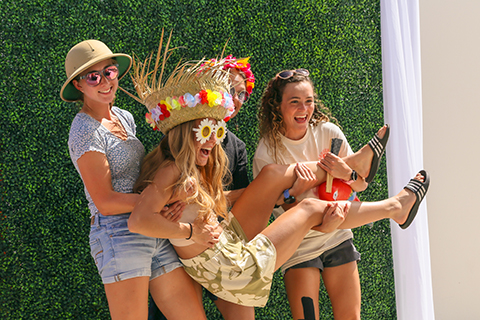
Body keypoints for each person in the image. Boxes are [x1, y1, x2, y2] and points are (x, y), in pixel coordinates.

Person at [126, 55, 429, 313]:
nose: (215, 139)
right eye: (207, 131)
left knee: (271, 174)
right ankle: (394, 207)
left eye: (216, 132)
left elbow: (218, 201)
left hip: (225, 242)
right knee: (310, 206)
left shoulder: (198, 164)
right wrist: (190, 230)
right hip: (230, 265)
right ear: (184, 133)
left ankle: (352, 166)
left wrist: (282, 193)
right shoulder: (171, 171)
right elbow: (139, 220)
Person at [62, 39, 213, 320]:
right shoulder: (84, 130)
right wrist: (164, 199)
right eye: (93, 76)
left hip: (153, 224)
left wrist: (162, 201)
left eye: (109, 71)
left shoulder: (124, 117)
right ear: (79, 86)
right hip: (116, 233)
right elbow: (105, 202)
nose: (105, 81)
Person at [253, 68, 390, 319]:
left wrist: (345, 173)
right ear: (277, 106)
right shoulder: (266, 152)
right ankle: (395, 204)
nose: (303, 109)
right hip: (300, 245)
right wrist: (297, 192)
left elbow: (360, 186)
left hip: (338, 235)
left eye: (308, 101)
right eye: (294, 102)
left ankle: (391, 199)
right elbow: (281, 217)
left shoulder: (329, 133)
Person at [147, 55, 256, 320]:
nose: (236, 99)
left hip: (216, 245)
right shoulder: (179, 138)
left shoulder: (236, 146)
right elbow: (150, 202)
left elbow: (237, 202)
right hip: (176, 251)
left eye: (242, 93)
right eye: (230, 90)